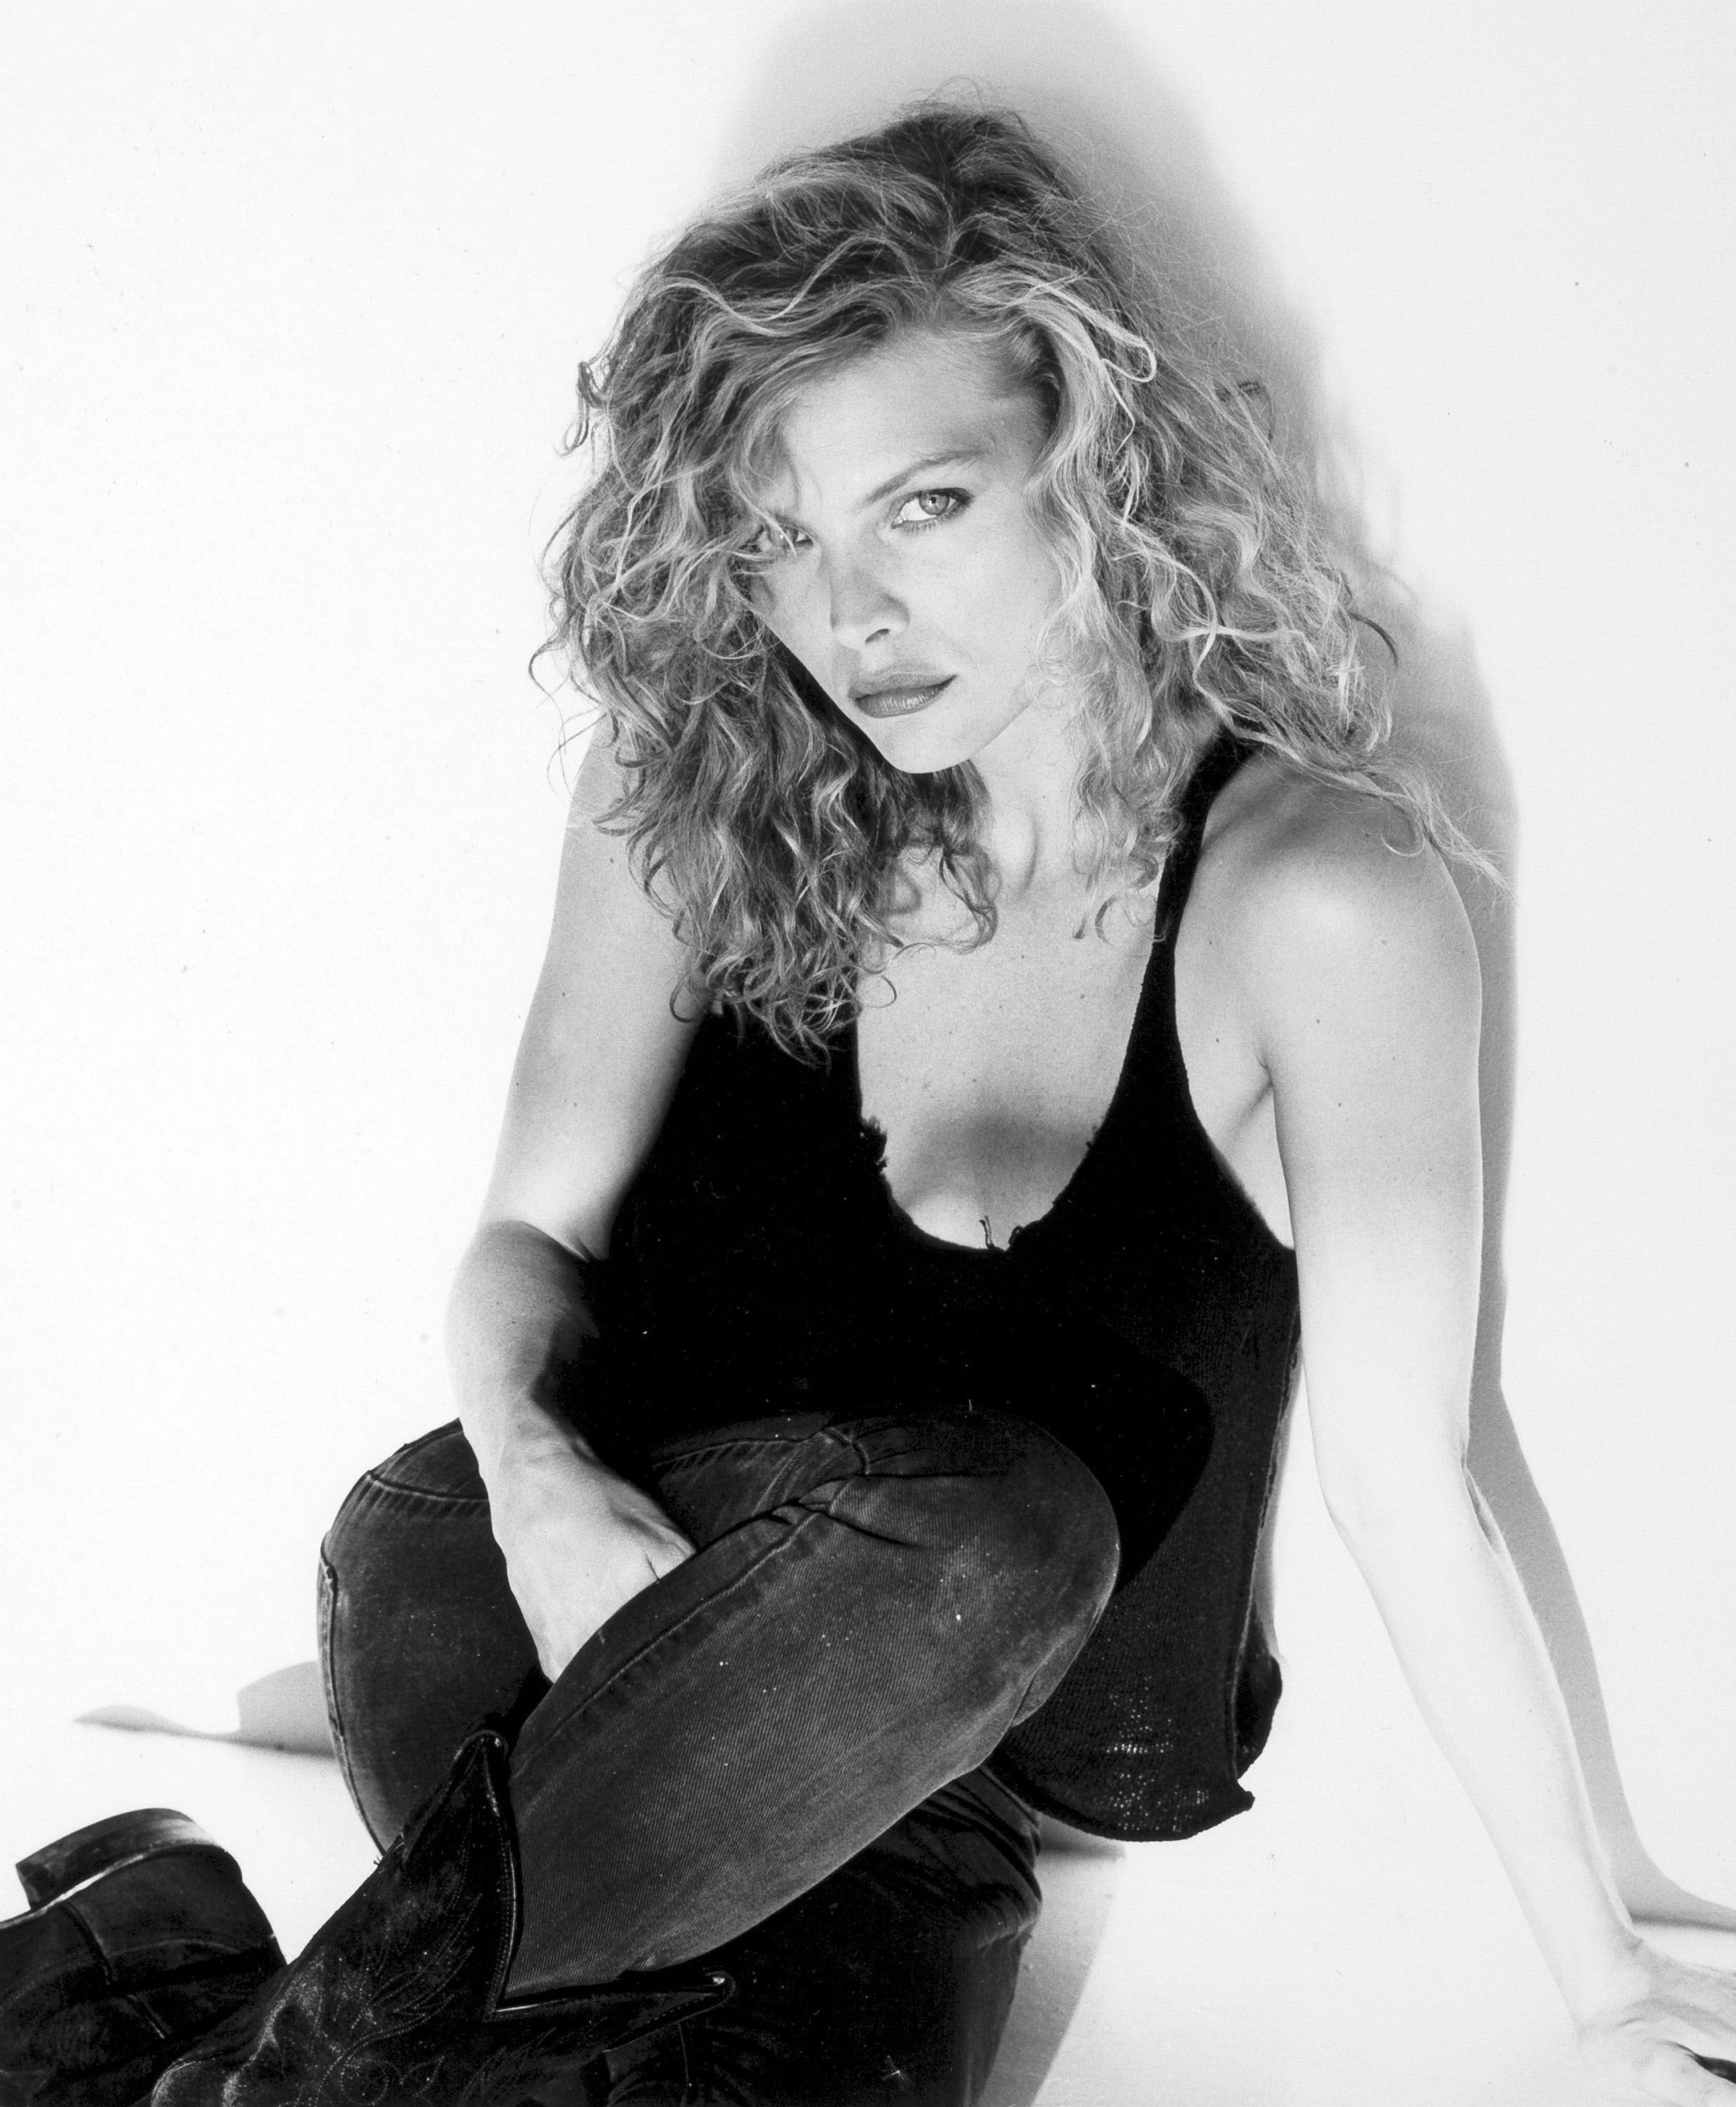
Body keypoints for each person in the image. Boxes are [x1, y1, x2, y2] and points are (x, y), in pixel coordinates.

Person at [6, 99, 1735, 2107]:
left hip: (965, 1755)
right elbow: (528, 1238)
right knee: (860, 1537)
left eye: (921, 505)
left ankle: (172, 2009)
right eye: (777, 540)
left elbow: (1406, 1476)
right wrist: (539, 1482)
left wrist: (1598, 1968)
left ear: (1096, 459)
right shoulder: (689, 797)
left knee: (993, 1536)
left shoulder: (1311, 897)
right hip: (536, 1620)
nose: (850, 619)